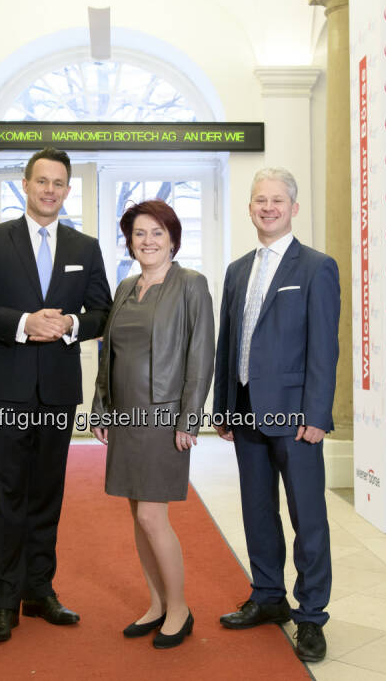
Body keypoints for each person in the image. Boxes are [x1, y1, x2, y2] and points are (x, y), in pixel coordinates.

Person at [0, 147, 112, 643]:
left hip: (58, 393)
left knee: (47, 494)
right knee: (7, 495)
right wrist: (24, 323)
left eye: (59, 183)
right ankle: (3, 602)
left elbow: (103, 311)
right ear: (24, 184)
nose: (50, 190)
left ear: (68, 190)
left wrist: (70, 324)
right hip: (7, 389)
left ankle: (38, 590)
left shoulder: (84, 247)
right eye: (41, 181)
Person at [213, 168, 340, 663]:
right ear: (249, 208)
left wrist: (317, 413)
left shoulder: (316, 267)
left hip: (296, 416)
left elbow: (324, 349)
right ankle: (268, 597)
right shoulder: (238, 269)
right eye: (260, 200)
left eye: (277, 200)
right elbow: (229, 344)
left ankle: (311, 617)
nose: (268, 208)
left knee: (308, 519)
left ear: (294, 208)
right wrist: (224, 407)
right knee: (257, 511)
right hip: (245, 411)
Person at [91, 200, 214, 649]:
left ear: (173, 239)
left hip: (164, 417)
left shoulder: (191, 285)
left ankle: (180, 609)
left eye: (157, 232)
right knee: (136, 516)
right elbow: (109, 354)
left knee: (152, 514)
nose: (147, 241)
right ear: (129, 241)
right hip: (125, 416)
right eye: (139, 233)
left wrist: (190, 418)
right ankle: (157, 603)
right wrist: (101, 407)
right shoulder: (125, 287)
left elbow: (201, 355)